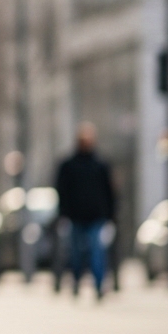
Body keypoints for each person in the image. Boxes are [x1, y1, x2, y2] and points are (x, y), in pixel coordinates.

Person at [54, 122, 115, 300]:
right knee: (75, 254)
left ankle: (98, 285)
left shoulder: (101, 164)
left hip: (96, 217)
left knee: (97, 252)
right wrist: (63, 214)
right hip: (75, 217)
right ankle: (76, 282)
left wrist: (110, 216)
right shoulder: (68, 165)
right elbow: (61, 191)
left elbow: (109, 192)